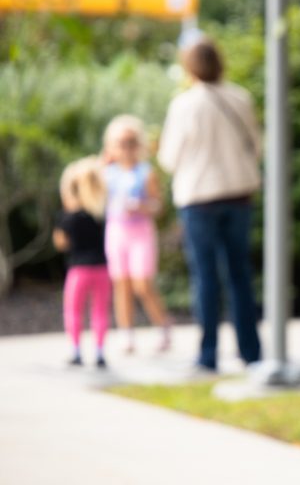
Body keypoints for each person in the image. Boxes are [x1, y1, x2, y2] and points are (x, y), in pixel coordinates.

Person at [157, 37, 263, 373]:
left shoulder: (184, 105)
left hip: (199, 199)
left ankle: (208, 354)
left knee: (205, 277)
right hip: (238, 194)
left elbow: (169, 159)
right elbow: (256, 146)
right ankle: (251, 352)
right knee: (239, 275)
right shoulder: (240, 98)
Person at [102, 115, 173, 354]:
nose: (127, 148)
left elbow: (158, 205)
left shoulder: (146, 172)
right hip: (117, 231)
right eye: (121, 143)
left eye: (131, 142)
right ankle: (126, 333)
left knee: (142, 283)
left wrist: (140, 206)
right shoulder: (107, 172)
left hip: (140, 231)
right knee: (121, 283)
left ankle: (162, 326)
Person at [53, 156, 112, 369]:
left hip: (79, 270)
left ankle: (76, 351)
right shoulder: (100, 214)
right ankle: (99, 351)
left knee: (74, 310)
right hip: (102, 269)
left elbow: (61, 243)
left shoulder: (68, 217)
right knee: (100, 311)